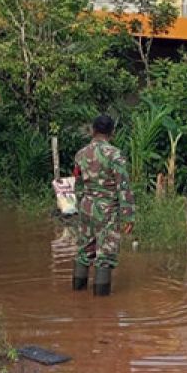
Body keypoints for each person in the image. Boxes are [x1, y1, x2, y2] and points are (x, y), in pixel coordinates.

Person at [72, 114, 135, 296]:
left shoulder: (80, 154)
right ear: (112, 132)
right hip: (107, 210)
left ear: (93, 130)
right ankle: (101, 307)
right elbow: (123, 186)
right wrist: (128, 215)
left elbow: (78, 183)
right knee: (105, 256)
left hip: (86, 207)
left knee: (84, 251)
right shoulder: (115, 155)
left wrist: (79, 206)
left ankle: (77, 297)